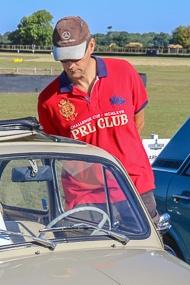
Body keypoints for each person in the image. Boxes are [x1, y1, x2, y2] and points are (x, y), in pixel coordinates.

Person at [37, 16, 159, 223]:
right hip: (84, 196)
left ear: (91, 45)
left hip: (134, 185)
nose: (70, 65)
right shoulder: (48, 100)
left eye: (75, 56)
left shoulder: (125, 72)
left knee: (146, 243)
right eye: (63, 58)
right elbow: (56, 150)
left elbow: (138, 121)